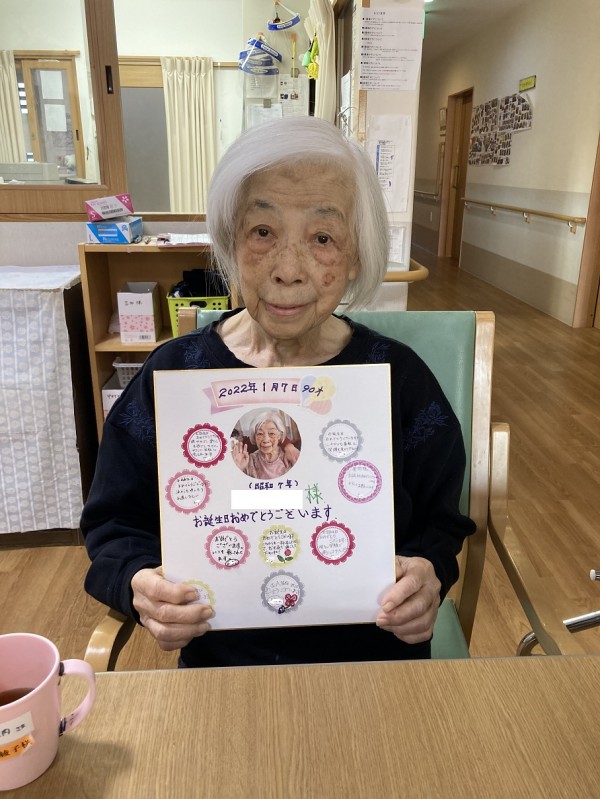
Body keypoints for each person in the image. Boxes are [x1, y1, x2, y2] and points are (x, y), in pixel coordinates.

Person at [81, 116, 475, 667]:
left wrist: (427, 572)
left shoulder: (399, 378)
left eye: (322, 238)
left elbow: (442, 520)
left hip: (374, 661)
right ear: (230, 242)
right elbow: (113, 523)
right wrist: (138, 583)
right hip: (225, 665)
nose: (288, 270)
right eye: (263, 232)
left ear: (357, 256)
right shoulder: (173, 375)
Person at [231, 409, 295, 478]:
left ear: (279, 435)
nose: (265, 440)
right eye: (260, 434)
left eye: (271, 433)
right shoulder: (248, 461)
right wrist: (238, 469)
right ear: (254, 436)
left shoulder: (290, 458)